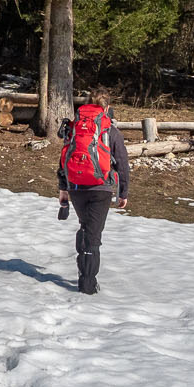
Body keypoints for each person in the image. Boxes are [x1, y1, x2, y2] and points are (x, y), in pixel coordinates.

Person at [56, 97, 130, 296]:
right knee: (93, 235)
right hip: (101, 188)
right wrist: (123, 192)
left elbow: (63, 160)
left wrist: (63, 189)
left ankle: (84, 271)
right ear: (106, 108)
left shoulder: (74, 129)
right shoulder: (110, 131)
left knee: (85, 226)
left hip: (76, 186)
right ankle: (88, 284)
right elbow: (122, 163)